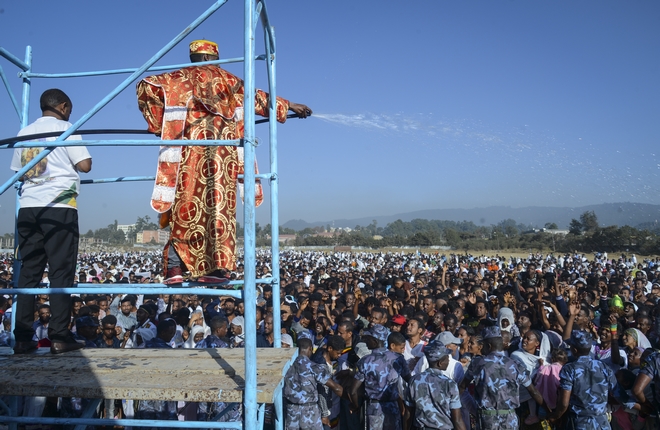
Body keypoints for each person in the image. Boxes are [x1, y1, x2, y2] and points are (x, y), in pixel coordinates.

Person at [136, 39, 311, 283]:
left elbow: (146, 87)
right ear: (211, 57)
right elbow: (257, 98)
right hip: (222, 159)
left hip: (189, 155)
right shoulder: (228, 81)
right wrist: (289, 105)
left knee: (184, 208)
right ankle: (217, 269)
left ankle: (175, 269)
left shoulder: (177, 78)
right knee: (219, 212)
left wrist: (159, 124)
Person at [11, 88, 91, 355]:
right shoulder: (67, 128)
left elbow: (19, 173)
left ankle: (22, 337)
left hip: (29, 207)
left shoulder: (24, 132)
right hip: (58, 207)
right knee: (60, 272)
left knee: (28, 273)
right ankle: (59, 336)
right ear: (64, 106)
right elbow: (85, 165)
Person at [463, 326, 543, 430]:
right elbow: (533, 391)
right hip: (510, 419)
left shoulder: (478, 363)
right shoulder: (515, 364)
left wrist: (469, 405)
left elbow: (461, 387)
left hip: (487, 419)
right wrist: (550, 412)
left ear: (488, 345)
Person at [548, 330, 617, 429]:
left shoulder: (569, 369)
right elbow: (618, 394)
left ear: (574, 350)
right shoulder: (604, 367)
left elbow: (564, 403)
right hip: (602, 424)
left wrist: (556, 416)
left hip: (580, 423)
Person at [283, 338, 343, 430]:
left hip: (291, 411)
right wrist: (351, 398)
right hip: (310, 412)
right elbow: (335, 388)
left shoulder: (287, 367)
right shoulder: (313, 366)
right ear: (310, 348)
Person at [405, 342, 466, 430]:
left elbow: (408, 414)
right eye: (446, 358)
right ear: (440, 363)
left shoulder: (414, 381)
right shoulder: (450, 384)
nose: (449, 360)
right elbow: (457, 420)